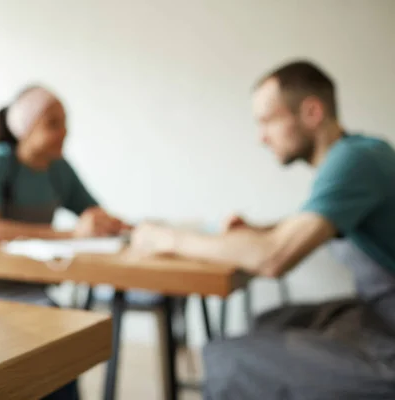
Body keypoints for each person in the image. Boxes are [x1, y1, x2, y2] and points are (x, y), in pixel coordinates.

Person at [129, 60, 395, 399]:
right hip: (378, 314)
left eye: (267, 121)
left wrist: (166, 239)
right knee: (270, 322)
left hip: (388, 331)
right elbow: (308, 225)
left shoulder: (355, 160)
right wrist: (258, 229)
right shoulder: (360, 155)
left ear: (312, 111)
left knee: (227, 359)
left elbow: (274, 257)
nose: (261, 138)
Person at [0, 85, 126, 400]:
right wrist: (71, 234)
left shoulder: (59, 169)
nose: (65, 132)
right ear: (25, 128)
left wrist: (131, 227)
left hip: (27, 282)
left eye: (65, 122)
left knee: (63, 344)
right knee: (48, 340)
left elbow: (96, 215)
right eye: (53, 123)